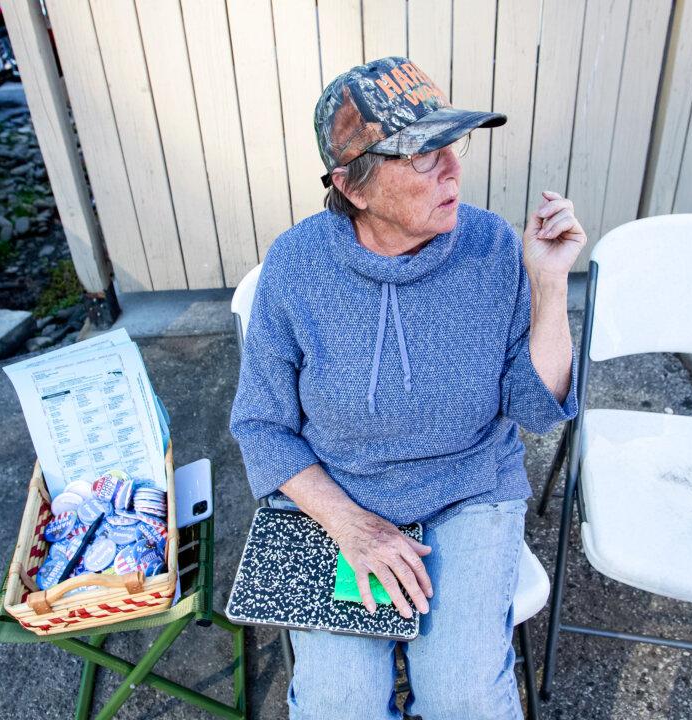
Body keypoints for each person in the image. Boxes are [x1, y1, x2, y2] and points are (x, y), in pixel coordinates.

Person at [230, 56, 586, 719]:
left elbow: (534, 408)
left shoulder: (492, 248)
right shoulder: (297, 266)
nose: (453, 168)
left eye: (454, 144)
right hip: (338, 500)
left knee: (464, 698)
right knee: (341, 707)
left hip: (467, 490)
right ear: (354, 186)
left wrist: (550, 283)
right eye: (424, 156)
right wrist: (350, 524)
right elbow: (261, 425)